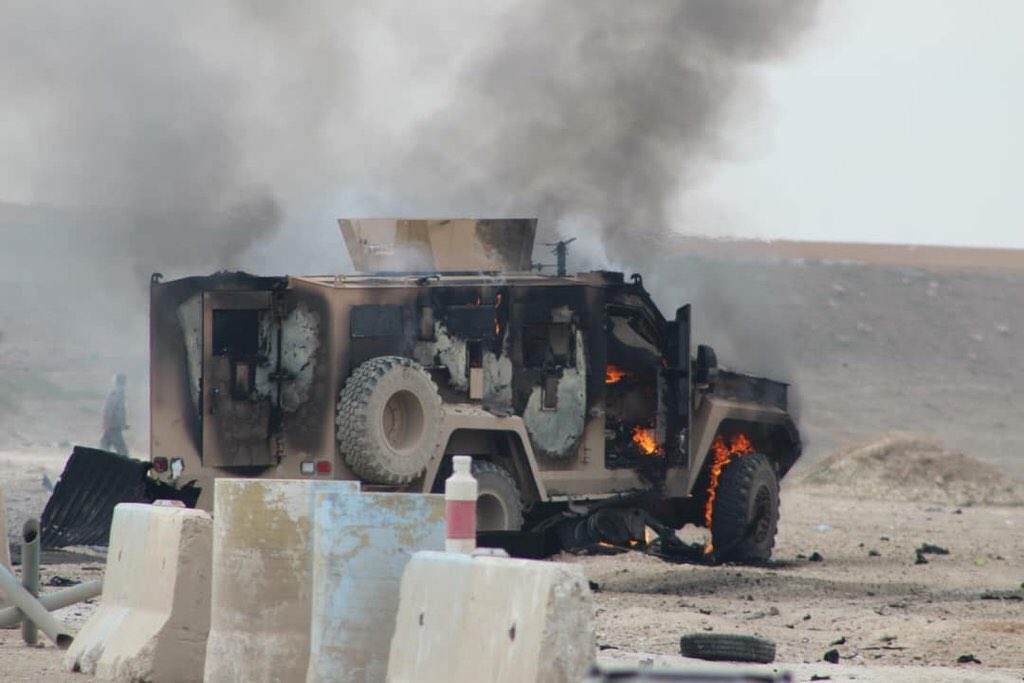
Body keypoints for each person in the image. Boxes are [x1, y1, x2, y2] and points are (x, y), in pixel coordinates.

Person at [100, 373, 129, 455]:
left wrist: (123, 424)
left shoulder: (119, 393)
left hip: (113, 425)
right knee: (120, 447)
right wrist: (107, 423)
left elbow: (118, 410)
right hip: (113, 425)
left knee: (105, 444)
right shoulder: (116, 393)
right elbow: (109, 409)